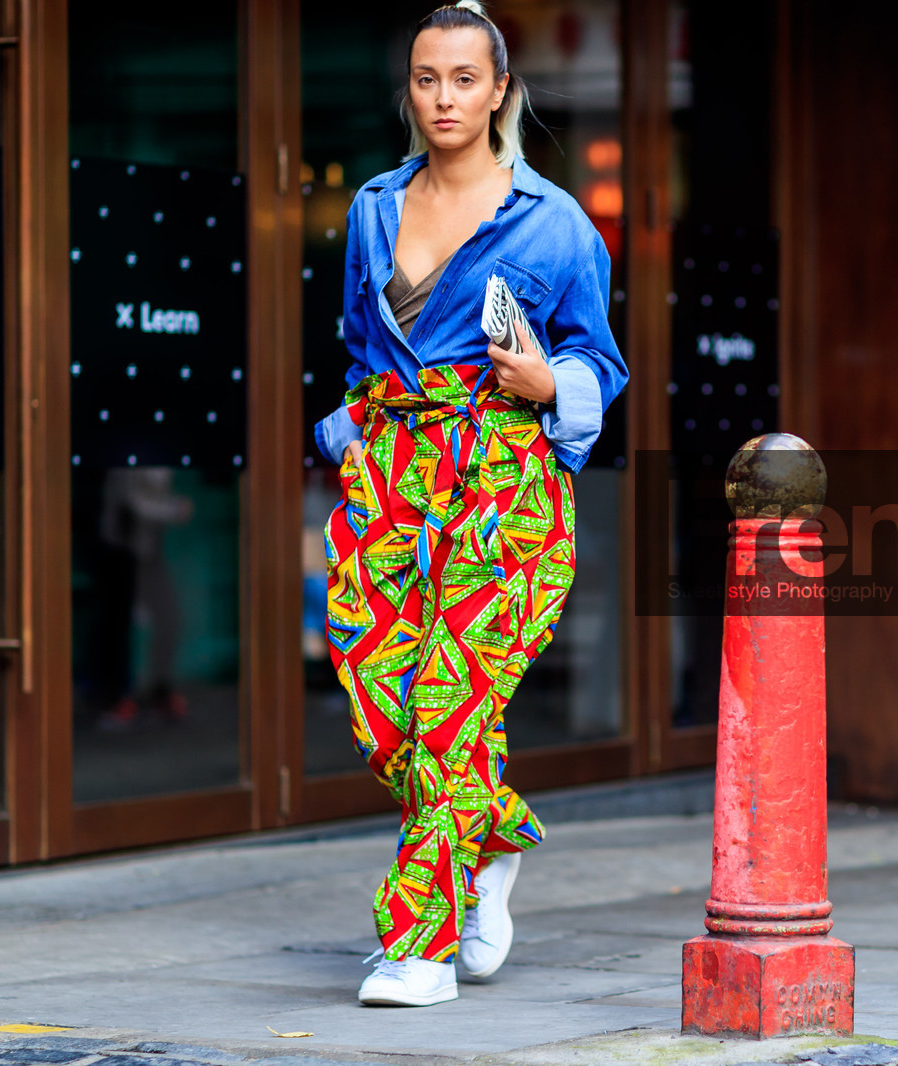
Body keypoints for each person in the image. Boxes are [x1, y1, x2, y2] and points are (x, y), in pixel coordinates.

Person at [313, 0, 627, 1008]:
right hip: (391, 480)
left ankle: (418, 942)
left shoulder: (552, 220)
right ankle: (490, 840)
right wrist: (350, 430)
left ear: (499, 90)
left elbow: (597, 358)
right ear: (408, 90)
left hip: (504, 488)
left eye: (462, 78)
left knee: (449, 704)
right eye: (424, 78)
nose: (442, 97)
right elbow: (364, 345)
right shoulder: (369, 206)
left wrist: (549, 388)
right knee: (375, 696)